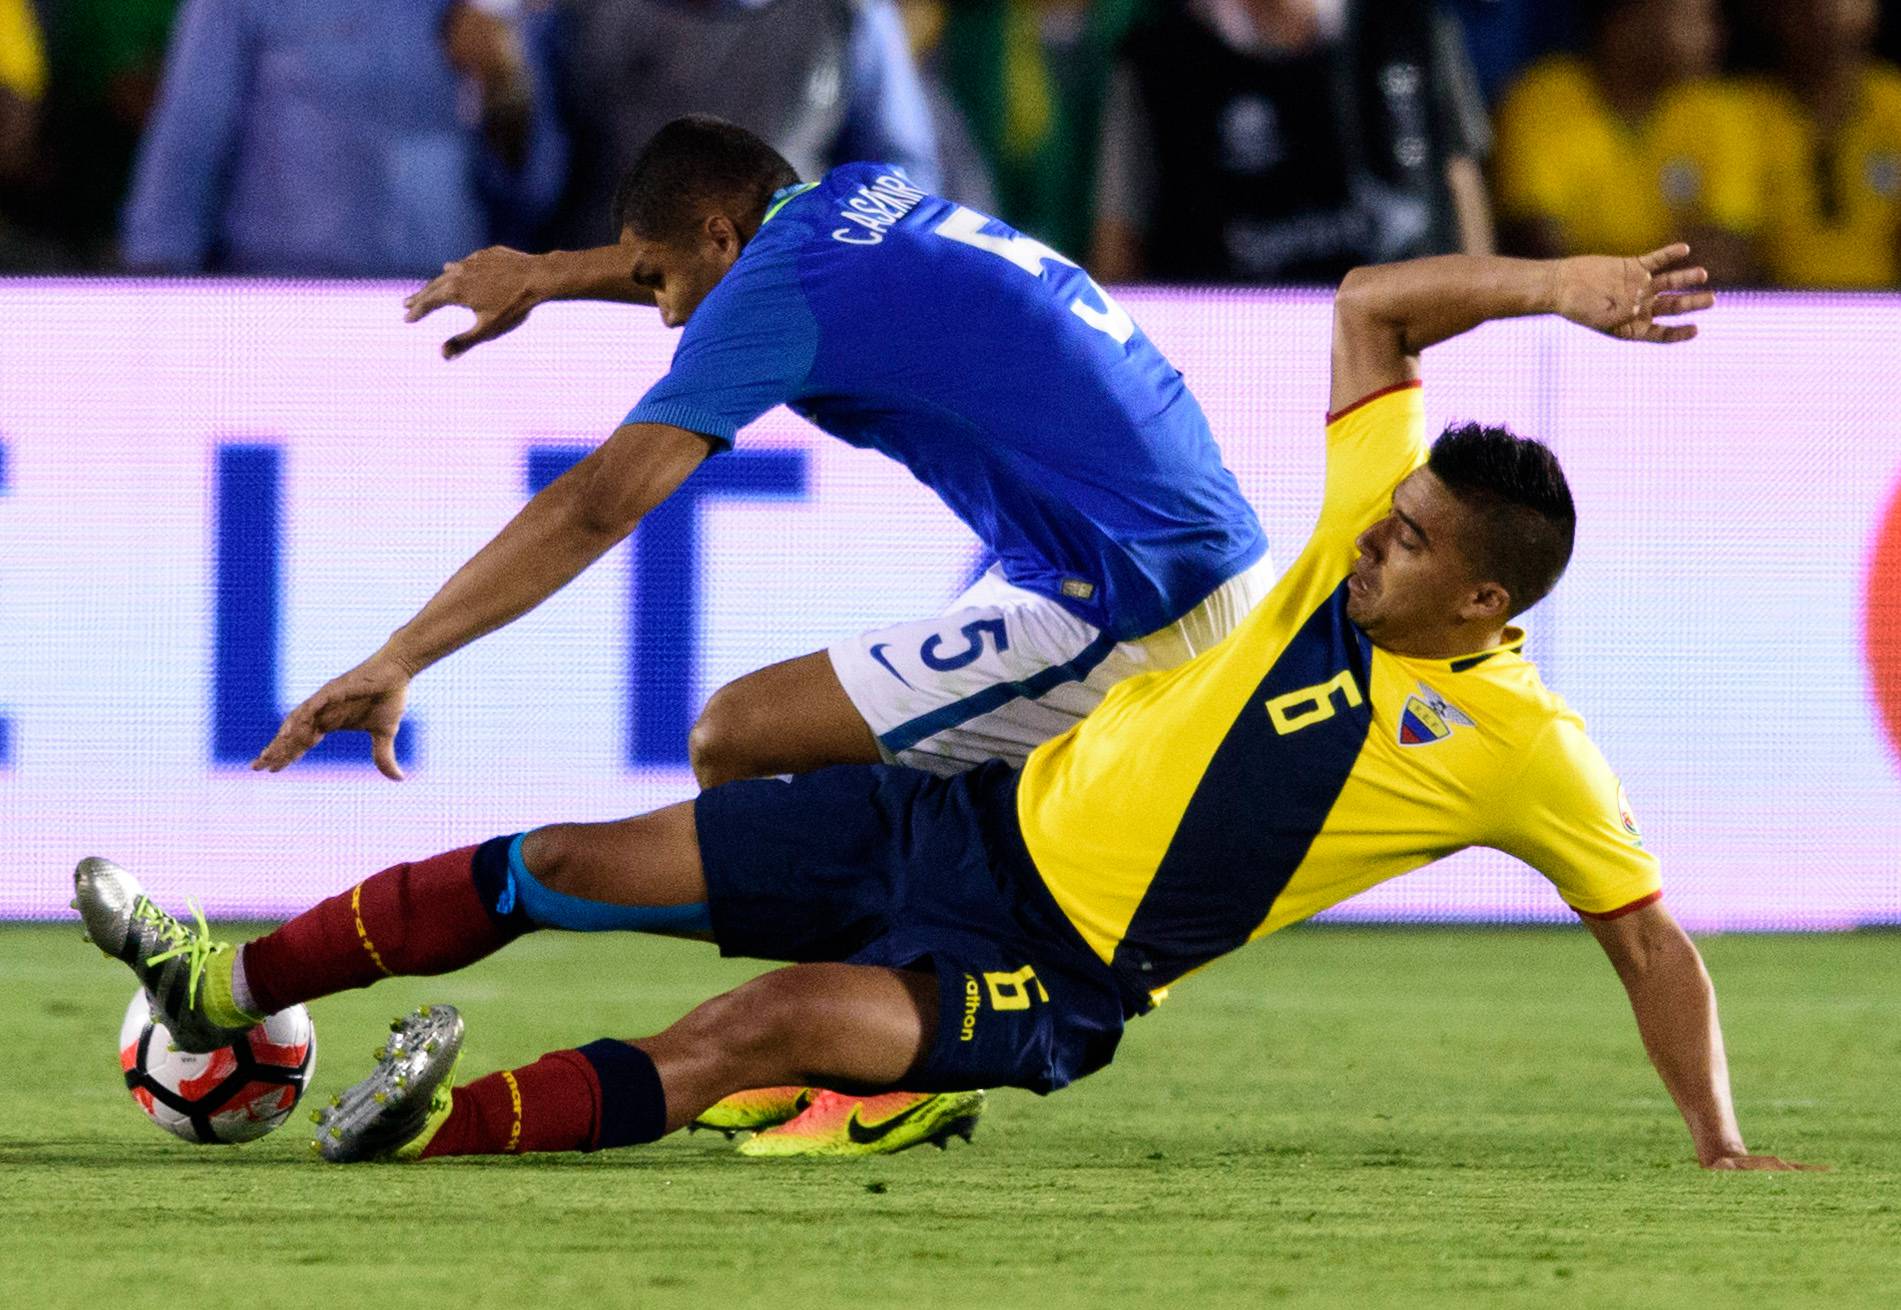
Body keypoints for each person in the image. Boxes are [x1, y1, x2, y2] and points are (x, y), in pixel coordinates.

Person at [77, 242, 1821, 1172]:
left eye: (1414, 539)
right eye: (1392, 510)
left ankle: (418, 1128)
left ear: (1483, 601)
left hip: (1046, 974)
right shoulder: (1345, 555)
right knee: (559, 860)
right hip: (959, 822)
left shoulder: (1529, 748)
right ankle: (229, 987)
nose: (1373, 532)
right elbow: (1373, 304)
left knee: (754, 1031)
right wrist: (1561, 292)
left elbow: (1651, 944)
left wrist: (1720, 1142)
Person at [253, 115, 1276, 1152]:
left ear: (717, 237)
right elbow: (709, 255)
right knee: (765, 749)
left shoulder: (780, 289)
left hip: (1140, 597)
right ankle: (894, 1007)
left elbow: (600, 503)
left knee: (743, 743)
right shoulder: (849, 201)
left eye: (656, 282)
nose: (659, 317)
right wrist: (556, 273)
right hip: (1138, 557)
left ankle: (892, 1055)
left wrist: (402, 653)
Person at [121, 0, 566, 275]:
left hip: (443, 310)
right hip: (284, 305)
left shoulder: (494, 11)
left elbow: (537, 193)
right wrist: (156, 306)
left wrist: (505, 83)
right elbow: (183, 159)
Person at [1090, 0, 1494, 285]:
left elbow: (1463, 195)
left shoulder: (1415, 27)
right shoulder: (1156, 64)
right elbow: (1119, 250)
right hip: (1232, 375)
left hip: (1404, 374)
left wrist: (1478, 342)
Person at [540, 0, 943, 251]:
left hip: (790, 305)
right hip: (611, 309)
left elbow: (899, 178)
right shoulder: (580, 18)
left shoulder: (845, 15)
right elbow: (533, 184)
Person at [1492, 0, 1760, 287]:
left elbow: (1726, 256)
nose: (1712, 34)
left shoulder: (1719, 112)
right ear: (1625, 22)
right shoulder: (1541, 100)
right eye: (1689, 18)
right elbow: (1540, 254)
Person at [1742, 0, 1901, 289]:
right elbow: (1726, 246)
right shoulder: (1737, 113)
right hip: (1773, 312)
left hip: (1885, 315)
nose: (1826, 12)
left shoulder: (1895, 103)